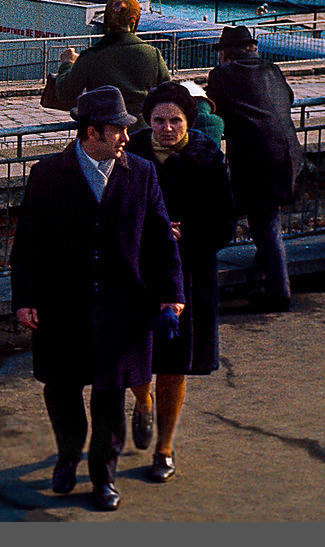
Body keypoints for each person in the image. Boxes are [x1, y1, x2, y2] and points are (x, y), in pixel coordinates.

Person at [11, 86, 185, 512]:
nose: (127, 137)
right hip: (61, 303)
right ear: (92, 133)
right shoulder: (48, 174)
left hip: (124, 306)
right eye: (118, 131)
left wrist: (172, 294)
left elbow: (162, 238)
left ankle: (103, 476)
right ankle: (69, 456)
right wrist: (25, 299)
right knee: (62, 388)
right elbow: (29, 242)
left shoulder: (141, 173)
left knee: (111, 392)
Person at [127, 82, 235, 484]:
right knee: (133, 352)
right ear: (148, 121)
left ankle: (165, 447)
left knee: (175, 363)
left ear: (189, 120)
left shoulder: (207, 157)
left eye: (175, 120)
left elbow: (225, 223)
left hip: (189, 272)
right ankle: (142, 400)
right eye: (159, 120)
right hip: (137, 269)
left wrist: (186, 232)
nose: (167, 128)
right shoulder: (131, 153)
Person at [205, 26, 301, 310]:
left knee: (264, 222)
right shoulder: (272, 69)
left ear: (225, 54)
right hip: (288, 152)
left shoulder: (222, 75)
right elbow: (290, 98)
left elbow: (213, 107)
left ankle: (279, 293)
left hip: (256, 157)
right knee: (267, 220)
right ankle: (265, 272)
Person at [53, 0, 171, 118]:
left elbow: (65, 93)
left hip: (102, 131)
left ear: (107, 19)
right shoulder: (153, 54)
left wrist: (68, 63)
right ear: (135, 20)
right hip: (141, 130)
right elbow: (167, 93)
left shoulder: (91, 56)